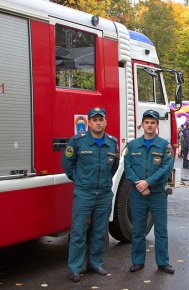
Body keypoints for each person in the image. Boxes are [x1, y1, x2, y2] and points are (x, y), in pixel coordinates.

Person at [61, 107, 119, 282]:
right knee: (78, 231)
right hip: (84, 193)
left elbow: (114, 166)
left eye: (101, 119)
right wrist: (79, 180)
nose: (98, 122)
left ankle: (95, 263)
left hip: (103, 195)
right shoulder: (78, 141)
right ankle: (75, 268)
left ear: (106, 122)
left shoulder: (112, 142)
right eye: (94, 119)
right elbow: (67, 163)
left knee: (99, 231)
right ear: (89, 122)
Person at [124, 110, 175, 274]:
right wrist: (140, 185)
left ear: (157, 125)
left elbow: (166, 168)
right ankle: (138, 261)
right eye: (147, 122)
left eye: (153, 123)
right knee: (138, 229)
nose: (150, 125)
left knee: (161, 230)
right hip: (138, 194)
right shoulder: (133, 145)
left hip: (158, 194)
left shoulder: (164, 146)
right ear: (142, 124)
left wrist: (148, 183)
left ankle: (163, 262)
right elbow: (127, 167)